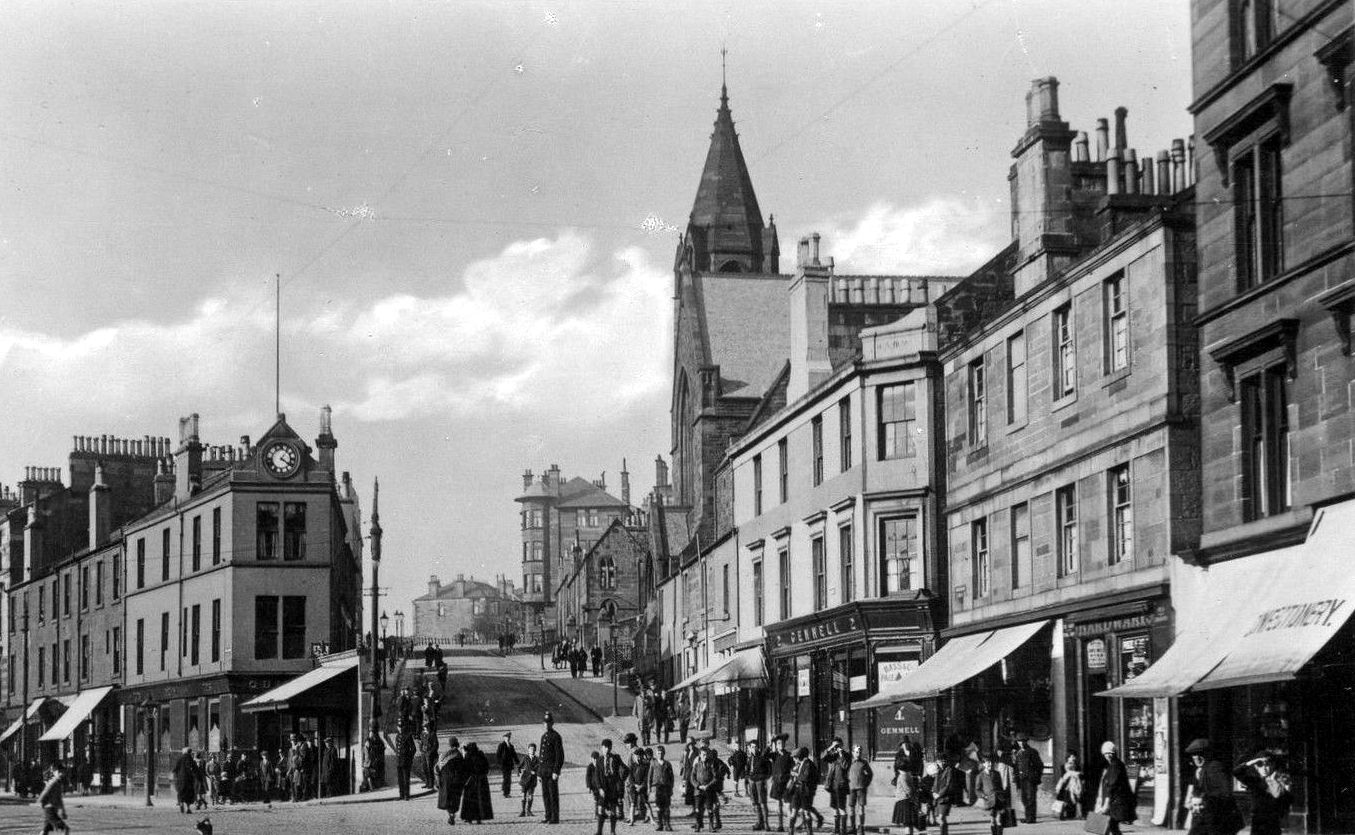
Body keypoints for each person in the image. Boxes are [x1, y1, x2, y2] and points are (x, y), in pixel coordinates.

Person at [1184, 739, 1241, 835]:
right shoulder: (1201, 770)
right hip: (1205, 815)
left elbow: (1225, 792)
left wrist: (1203, 799)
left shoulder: (1214, 767)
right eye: (1194, 755)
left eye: (1201, 754)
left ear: (1207, 754)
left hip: (1217, 816)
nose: (1197, 758)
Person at [1233, 752, 1291, 835]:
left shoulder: (1279, 780)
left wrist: (1275, 782)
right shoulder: (1254, 781)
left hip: (1273, 822)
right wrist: (1253, 761)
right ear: (1256, 767)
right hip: (1258, 821)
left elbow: (1285, 800)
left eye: (1267, 765)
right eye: (1260, 765)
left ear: (1272, 765)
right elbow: (1236, 772)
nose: (1264, 768)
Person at [1093, 741, 1137, 835]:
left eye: (1110, 753)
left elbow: (1112, 785)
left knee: (1110, 826)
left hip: (1115, 802)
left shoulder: (1115, 765)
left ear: (1114, 753)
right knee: (1111, 827)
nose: (1108, 755)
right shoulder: (1112, 765)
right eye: (1106, 753)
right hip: (1115, 801)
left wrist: (1106, 803)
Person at [588, 739, 630, 835]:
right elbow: (597, 776)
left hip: (613, 787)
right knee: (600, 810)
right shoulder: (599, 760)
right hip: (603, 787)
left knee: (613, 811)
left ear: (611, 748)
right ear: (602, 748)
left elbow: (626, 769)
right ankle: (599, 831)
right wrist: (599, 788)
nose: (606, 749)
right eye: (605, 747)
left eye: (608, 747)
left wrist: (621, 779)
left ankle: (612, 831)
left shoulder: (616, 758)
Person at [540, 711, 566, 824]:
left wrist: (556, 771)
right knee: (545, 794)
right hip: (544, 771)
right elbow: (541, 756)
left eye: (548, 722)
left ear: (552, 723)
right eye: (545, 722)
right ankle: (548, 815)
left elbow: (560, 756)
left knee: (553, 794)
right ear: (543, 724)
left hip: (551, 771)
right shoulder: (543, 737)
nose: (546, 724)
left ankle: (555, 817)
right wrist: (539, 772)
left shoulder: (556, 736)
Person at [788, 747, 820, 835]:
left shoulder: (809, 764)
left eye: (795, 757)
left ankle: (809, 832)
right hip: (797, 790)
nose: (794, 759)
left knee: (806, 812)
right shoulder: (799, 764)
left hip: (805, 791)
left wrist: (796, 775)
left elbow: (806, 777)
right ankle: (790, 831)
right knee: (794, 811)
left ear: (799, 757)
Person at [1013, 736, 1044, 824]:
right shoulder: (1018, 753)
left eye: (1023, 741)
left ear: (1026, 742)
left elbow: (1039, 765)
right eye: (1019, 741)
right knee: (1024, 798)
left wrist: (1036, 776)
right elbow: (1016, 766)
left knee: (1031, 798)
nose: (1021, 743)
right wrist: (1016, 778)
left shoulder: (1032, 752)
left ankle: (1031, 818)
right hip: (1021, 779)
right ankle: (1027, 816)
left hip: (1030, 779)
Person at [461, 741, 494, 823]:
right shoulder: (481, 755)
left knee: (470, 799)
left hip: (471, 780)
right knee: (480, 799)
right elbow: (486, 767)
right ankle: (479, 818)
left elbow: (465, 768)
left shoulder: (468, 756)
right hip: (482, 780)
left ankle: (469, 818)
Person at [438, 737, 468, 826]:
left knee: (447, 798)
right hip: (456, 780)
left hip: (446, 780)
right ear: (457, 744)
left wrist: (439, 780)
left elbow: (439, 768)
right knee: (455, 799)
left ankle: (450, 815)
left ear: (450, 745)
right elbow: (463, 768)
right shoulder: (459, 755)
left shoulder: (445, 754)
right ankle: (452, 815)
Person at [691, 744, 721, 832]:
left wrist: (708, 785)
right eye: (703, 754)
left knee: (710, 809)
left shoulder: (711, 765)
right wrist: (698, 786)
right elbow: (692, 778)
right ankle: (698, 824)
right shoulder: (696, 765)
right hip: (699, 791)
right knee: (698, 809)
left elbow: (715, 777)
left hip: (708, 790)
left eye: (706, 754)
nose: (705, 756)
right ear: (700, 755)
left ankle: (711, 826)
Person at [824, 739, 849, 835]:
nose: (836, 747)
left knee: (842, 808)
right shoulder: (832, 755)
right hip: (832, 785)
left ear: (842, 745)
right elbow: (823, 758)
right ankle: (836, 829)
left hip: (841, 785)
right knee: (835, 808)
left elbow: (845, 766)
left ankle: (843, 831)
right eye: (835, 746)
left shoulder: (846, 755)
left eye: (838, 745)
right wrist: (830, 748)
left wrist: (841, 754)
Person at [931, 755, 962, 835]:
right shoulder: (937, 771)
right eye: (939, 761)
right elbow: (934, 783)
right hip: (937, 798)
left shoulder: (949, 770)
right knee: (940, 819)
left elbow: (948, 785)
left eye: (943, 761)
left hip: (945, 797)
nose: (942, 763)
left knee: (941, 817)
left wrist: (939, 794)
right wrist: (933, 792)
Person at [769, 734, 793, 832]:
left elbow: (793, 769)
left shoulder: (789, 755)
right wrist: (770, 743)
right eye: (779, 743)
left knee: (788, 805)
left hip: (786, 783)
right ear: (776, 745)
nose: (781, 745)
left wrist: (791, 781)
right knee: (778, 805)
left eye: (782, 743)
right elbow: (764, 755)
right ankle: (780, 825)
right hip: (777, 783)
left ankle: (790, 826)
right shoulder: (774, 755)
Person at [846, 744, 872, 835]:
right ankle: (852, 827)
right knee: (851, 808)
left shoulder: (864, 762)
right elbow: (845, 773)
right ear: (853, 753)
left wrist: (866, 783)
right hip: (851, 788)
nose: (858, 754)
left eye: (860, 752)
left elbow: (870, 774)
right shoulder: (849, 762)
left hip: (861, 788)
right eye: (856, 752)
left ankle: (861, 827)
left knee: (861, 808)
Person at [649, 745, 676, 832]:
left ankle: (667, 824)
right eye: (658, 753)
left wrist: (671, 788)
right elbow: (650, 776)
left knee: (667, 807)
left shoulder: (667, 764)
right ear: (656, 754)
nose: (660, 755)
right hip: (657, 788)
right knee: (658, 807)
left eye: (661, 753)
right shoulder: (653, 763)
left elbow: (671, 777)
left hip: (666, 788)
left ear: (664, 753)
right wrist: (649, 788)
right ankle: (660, 824)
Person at [38, 760, 69, 833]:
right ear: (56, 772)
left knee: (45, 830)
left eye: (63, 772)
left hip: (52, 809)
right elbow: (45, 792)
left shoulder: (58, 783)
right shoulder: (53, 782)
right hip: (50, 809)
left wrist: (63, 811)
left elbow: (59, 798)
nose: (62, 774)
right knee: (65, 828)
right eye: (60, 772)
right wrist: (40, 801)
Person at [891, 761, 921, 835]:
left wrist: (912, 797)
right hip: (908, 800)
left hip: (903, 801)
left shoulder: (902, 776)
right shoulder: (908, 775)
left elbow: (907, 789)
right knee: (909, 823)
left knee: (907, 823)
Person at [748, 739, 771, 831]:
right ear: (750, 748)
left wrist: (764, 778)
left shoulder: (763, 757)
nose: (754, 749)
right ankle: (759, 822)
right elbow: (748, 769)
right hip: (752, 782)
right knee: (755, 803)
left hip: (760, 782)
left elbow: (769, 770)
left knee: (763, 802)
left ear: (758, 748)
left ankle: (766, 824)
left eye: (755, 747)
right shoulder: (750, 758)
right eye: (752, 747)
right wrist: (748, 778)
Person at [1053, 753, 1084, 820]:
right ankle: (1061, 814)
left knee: (1077, 799)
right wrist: (1073, 774)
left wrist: (1075, 774)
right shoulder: (1064, 766)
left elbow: (1081, 774)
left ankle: (1079, 815)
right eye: (1071, 756)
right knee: (1065, 799)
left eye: (1074, 756)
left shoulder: (1077, 765)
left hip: (1075, 784)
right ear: (1068, 758)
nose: (1073, 758)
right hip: (1067, 784)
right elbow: (1063, 776)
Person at [395, 722, 417, 800]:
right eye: (399, 727)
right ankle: (401, 795)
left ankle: (406, 795)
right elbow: (397, 748)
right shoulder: (397, 736)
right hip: (399, 761)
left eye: (401, 727)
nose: (400, 728)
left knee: (406, 779)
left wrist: (409, 758)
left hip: (405, 761)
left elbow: (413, 749)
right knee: (400, 780)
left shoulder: (408, 736)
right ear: (397, 727)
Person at [362, 724, 386, 792]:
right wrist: (364, 762)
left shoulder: (377, 741)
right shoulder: (367, 741)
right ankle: (370, 788)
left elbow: (381, 749)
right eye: (370, 732)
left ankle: (372, 787)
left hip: (374, 762)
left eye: (372, 732)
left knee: (372, 775)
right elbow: (365, 753)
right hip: (368, 762)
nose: (371, 734)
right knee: (368, 775)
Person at [519, 743, 540, 816]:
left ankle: (529, 811)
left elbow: (539, 768)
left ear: (535, 750)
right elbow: (519, 766)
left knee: (530, 795)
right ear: (528, 750)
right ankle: (523, 811)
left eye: (533, 749)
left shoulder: (537, 759)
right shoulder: (525, 758)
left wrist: (536, 773)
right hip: (524, 780)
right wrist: (520, 771)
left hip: (532, 780)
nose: (532, 751)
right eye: (530, 749)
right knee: (523, 795)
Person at [496, 731, 519, 798]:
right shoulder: (501, 745)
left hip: (509, 765)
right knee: (507, 779)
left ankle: (505, 789)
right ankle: (506, 793)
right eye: (506, 737)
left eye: (509, 737)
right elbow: (498, 755)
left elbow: (514, 754)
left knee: (507, 778)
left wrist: (517, 762)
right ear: (504, 738)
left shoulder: (511, 746)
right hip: (504, 765)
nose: (508, 738)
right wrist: (500, 763)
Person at [421, 724, 441, 791]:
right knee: (425, 768)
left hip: (430, 754)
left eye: (426, 728)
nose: (425, 730)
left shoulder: (433, 734)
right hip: (424, 754)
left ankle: (431, 783)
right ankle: (427, 782)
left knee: (430, 769)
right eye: (424, 728)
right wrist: (421, 750)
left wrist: (430, 752)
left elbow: (436, 745)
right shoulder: (423, 734)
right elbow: (421, 743)